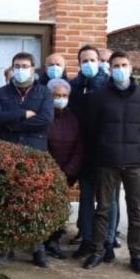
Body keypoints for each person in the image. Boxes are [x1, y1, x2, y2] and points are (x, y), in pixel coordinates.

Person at [83, 51, 140, 274]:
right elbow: (91, 129)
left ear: (131, 67)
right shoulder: (99, 96)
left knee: (136, 211)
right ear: (110, 69)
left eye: (124, 65)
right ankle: (97, 251)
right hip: (107, 161)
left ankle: (137, 255)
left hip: (135, 163)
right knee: (103, 209)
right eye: (116, 65)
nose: (120, 69)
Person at [0, 51, 54, 264]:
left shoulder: (44, 93)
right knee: (8, 200)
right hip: (8, 151)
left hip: (35, 152)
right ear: (12, 68)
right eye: (17, 65)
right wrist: (23, 114)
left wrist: (11, 123)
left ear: (33, 69)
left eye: (25, 65)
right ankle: (6, 248)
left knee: (35, 201)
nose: (21, 69)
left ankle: (37, 248)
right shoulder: (2, 92)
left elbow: (45, 119)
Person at [69, 44, 118, 260]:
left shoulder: (110, 85)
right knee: (86, 197)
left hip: (107, 152)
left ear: (99, 62)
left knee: (109, 200)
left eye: (92, 60)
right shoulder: (74, 87)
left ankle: (107, 240)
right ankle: (87, 240)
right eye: (84, 60)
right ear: (79, 63)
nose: (88, 64)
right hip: (84, 151)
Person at [45, 78, 83, 261]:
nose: (60, 99)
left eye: (64, 96)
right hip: (45, 172)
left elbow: (80, 147)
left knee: (59, 209)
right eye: (56, 95)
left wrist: (68, 171)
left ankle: (54, 241)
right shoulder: (44, 116)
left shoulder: (73, 119)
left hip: (66, 173)